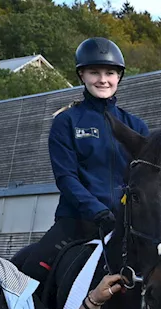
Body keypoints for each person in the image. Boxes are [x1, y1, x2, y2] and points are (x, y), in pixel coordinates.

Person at [11, 37, 149, 284]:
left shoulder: (136, 126)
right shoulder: (66, 122)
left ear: (119, 77)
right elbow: (66, 178)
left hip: (126, 225)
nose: (103, 79)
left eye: (110, 73)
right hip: (77, 222)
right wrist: (98, 212)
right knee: (30, 274)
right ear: (81, 76)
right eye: (94, 72)